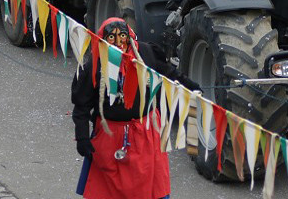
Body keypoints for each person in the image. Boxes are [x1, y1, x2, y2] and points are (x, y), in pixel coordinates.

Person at [71, 17, 199, 199]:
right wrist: (82, 137)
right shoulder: (95, 64)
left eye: (122, 36)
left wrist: (190, 85)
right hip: (109, 138)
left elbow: (169, 73)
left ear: (130, 37)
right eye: (111, 38)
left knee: (150, 189)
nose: (118, 43)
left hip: (146, 136)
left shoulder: (145, 54)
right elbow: (82, 107)